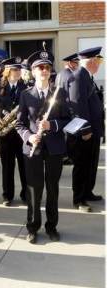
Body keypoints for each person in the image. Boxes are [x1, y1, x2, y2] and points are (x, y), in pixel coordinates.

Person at [16, 50, 70, 244]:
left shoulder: (59, 93)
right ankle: (32, 227)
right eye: (40, 67)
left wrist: (52, 125)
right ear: (33, 71)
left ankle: (52, 226)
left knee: (52, 188)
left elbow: (67, 120)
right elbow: (19, 124)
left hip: (54, 148)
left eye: (47, 67)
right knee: (33, 189)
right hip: (33, 148)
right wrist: (29, 137)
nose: (44, 70)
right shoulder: (25, 95)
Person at [68, 47, 104, 212]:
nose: (99, 65)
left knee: (91, 164)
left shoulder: (87, 76)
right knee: (82, 165)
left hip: (93, 131)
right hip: (84, 133)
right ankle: (79, 199)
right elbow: (77, 107)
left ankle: (87, 192)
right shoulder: (78, 77)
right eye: (98, 61)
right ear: (91, 61)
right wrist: (86, 130)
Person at [0, 57, 27, 206]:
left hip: (21, 131)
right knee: (7, 165)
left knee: (24, 165)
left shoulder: (26, 86)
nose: (18, 72)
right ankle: (7, 195)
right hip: (5, 132)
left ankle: (26, 194)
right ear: (8, 71)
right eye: (15, 69)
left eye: (19, 69)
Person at [56, 52, 79, 166]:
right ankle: (68, 157)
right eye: (76, 62)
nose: (77, 65)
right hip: (70, 108)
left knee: (63, 134)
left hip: (60, 107)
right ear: (70, 63)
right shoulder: (72, 75)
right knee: (72, 135)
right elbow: (73, 95)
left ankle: (63, 155)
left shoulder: (59, 74)